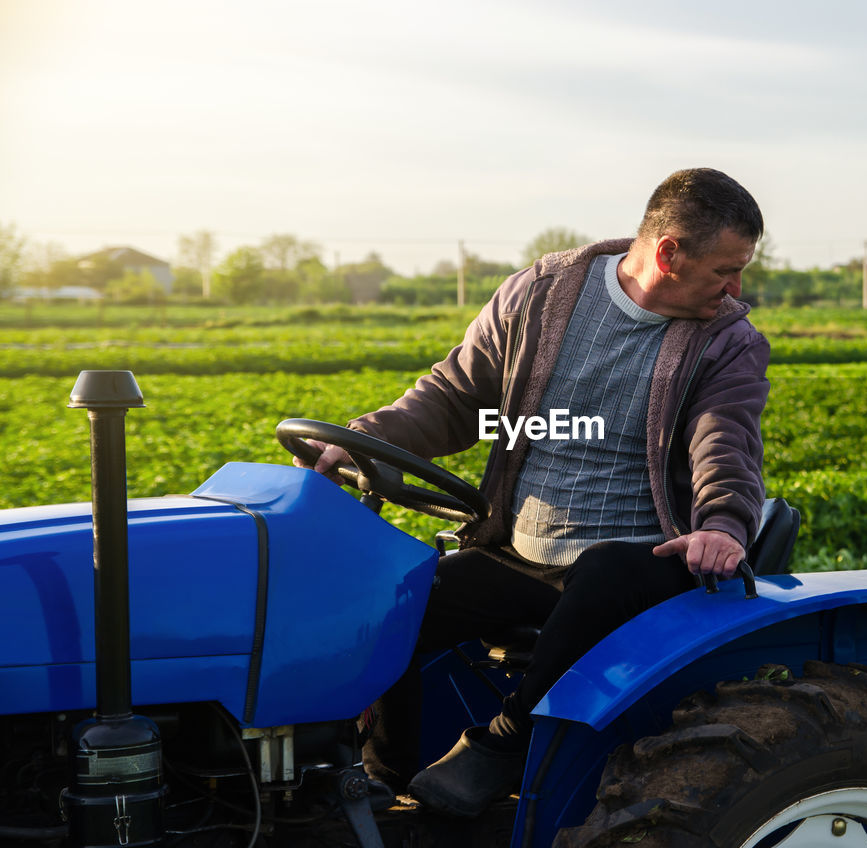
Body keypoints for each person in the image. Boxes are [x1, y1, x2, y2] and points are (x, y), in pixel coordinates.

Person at [296, 167, 770, 817]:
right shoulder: (542, 297)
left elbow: (726, 444)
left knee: (604, 569)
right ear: (668, 255)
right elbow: (456, 397)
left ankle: (504, 744)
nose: (737, 288)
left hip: (640, 561)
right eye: (726, 270)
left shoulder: (727, 343)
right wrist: (362, 438)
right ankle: (384, 784)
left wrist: (721, 523)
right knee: (394, 602)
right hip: (522, 554)